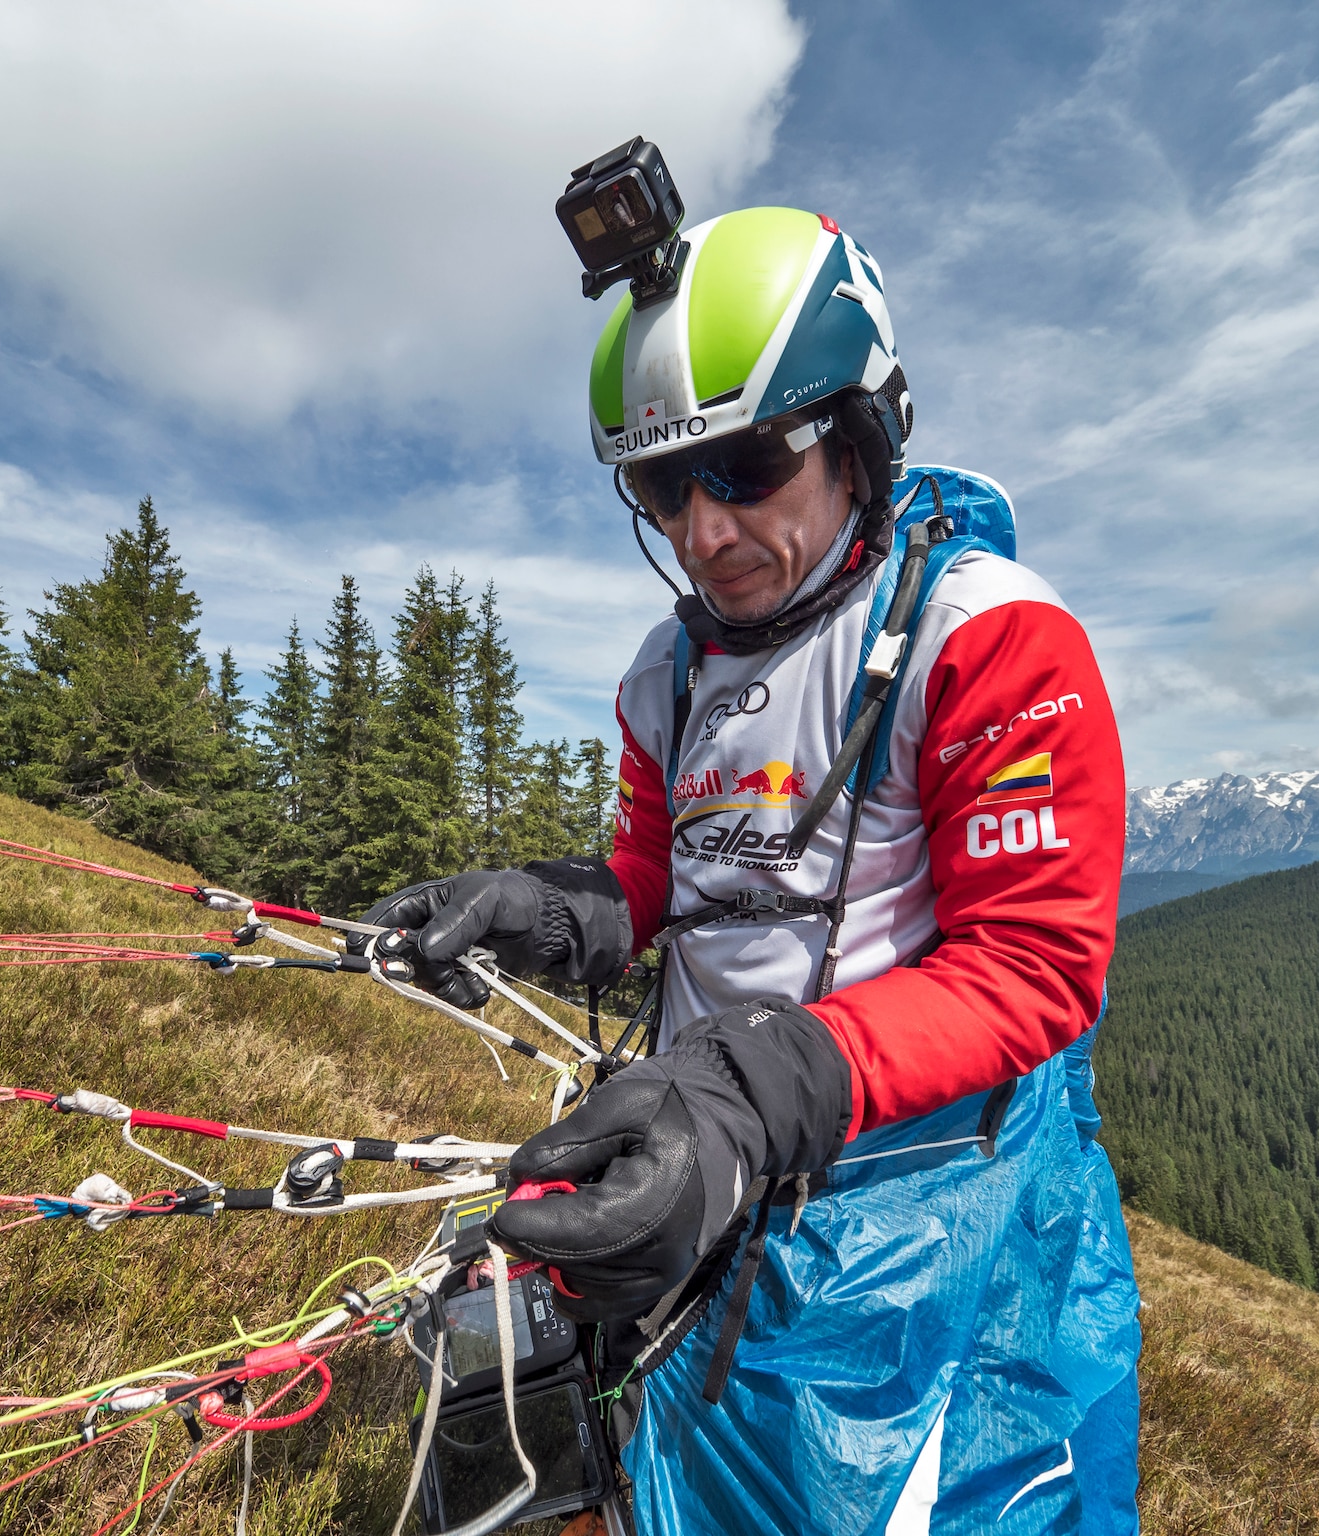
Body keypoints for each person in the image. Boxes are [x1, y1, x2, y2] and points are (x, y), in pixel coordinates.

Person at [365, 206, 1141, 1534]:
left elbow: (1035, 965)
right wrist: (552, 911)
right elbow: (662, 875)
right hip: (706, 1165)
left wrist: (745, 1088)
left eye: (746, 463)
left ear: (859, 436)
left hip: (933, 1222)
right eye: (662, 489)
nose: (704, 531)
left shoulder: (991, 639)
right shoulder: (666, 675)